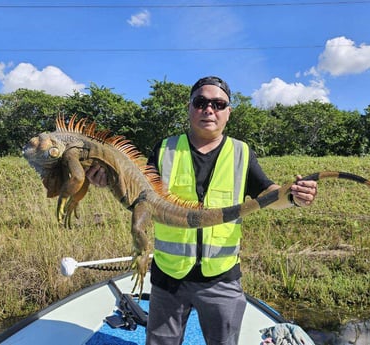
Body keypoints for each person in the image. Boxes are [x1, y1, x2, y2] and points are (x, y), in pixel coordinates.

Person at [86, 76, 318, 345]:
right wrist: (109, 180)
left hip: (222, 278)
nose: (209, 109)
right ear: (190, 108)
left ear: (228, 113)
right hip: (168, 276)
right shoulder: (164, 149)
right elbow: (139, 197)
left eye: (219, 104)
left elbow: (267, 193)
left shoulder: (241, 152)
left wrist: (292, 196)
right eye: (201, 102)